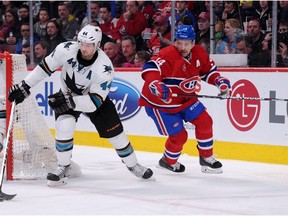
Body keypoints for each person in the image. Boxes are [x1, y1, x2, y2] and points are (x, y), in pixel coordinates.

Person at [8, 24, 154, 186]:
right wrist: (25, 85)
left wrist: (70, 101)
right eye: (82, 43)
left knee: (117, 136)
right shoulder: (66, 49)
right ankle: (63, 167)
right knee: (64, 128)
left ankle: (133, 166)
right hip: (68, 95)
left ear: (98, 45)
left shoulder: (104, 68)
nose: (84, 48)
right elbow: (45, 68)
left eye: (89, 45)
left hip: (95, 100)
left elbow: (94, 103)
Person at [139, 24, 231, 174]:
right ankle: (167, 162)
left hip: (186, 99)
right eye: (179, 43)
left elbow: (209, 72)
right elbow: (150, 68)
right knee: (180, 136)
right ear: (175, 41)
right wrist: (156, 83)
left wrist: (219, 81)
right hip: (160, 104)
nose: (182, 47)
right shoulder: (167, 54)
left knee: (205, 122)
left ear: (193, 43)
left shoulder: (199, 53)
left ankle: (206, 158)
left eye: (186, 43)